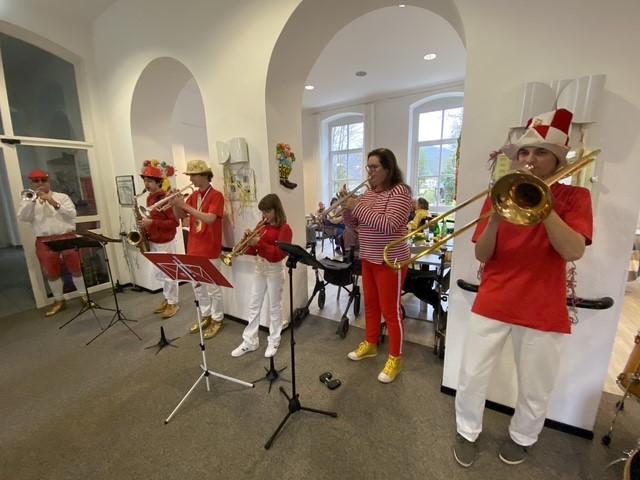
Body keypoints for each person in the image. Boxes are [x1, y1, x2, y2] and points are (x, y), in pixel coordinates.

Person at [452, 108, 593, 467]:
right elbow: (482, 253)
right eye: (525, 152)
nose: (530, 159)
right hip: (494, 297)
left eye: (541, 152)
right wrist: (496, 217)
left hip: (542, 305)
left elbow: (573, 250)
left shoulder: (576, 198)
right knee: (471, 375)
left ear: (557, 159)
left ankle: (523, 436)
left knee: (535, 385)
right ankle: (466, 430)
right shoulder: (500, 195)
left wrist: (544, 206)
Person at [341, 147, 412, 383]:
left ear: (388, 169)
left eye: (374, 167)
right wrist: (347, 209)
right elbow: (355, 225)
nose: (369, 172)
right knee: (371, 305)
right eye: (368, 167)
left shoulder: (400, 192)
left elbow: (389, 225)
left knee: (391, 312)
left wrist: (357, 206)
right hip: (368, 257)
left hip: (390, 260)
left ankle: (395, 358)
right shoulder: (369, 194)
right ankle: (371, 343)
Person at [17, 170, 87, 316]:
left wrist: (53, 202)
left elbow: (72, 214)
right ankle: (59, 301)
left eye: (43, 180)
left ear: (49, 182)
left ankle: (84, 296)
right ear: (32, 183)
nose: (40, 183)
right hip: (44, 240)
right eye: (36, 181)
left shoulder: (62, 197)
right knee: (51, 272)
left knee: (76, 269)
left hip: (66, 237)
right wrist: (32, 202)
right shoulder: (28, 200)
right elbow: (23, 217)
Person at [231, 194, 292, 358]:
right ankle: (250, 341)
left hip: (274, 270)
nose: (264, 215)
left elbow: (278, 255)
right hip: (260, 268)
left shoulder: (285, 228)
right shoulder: (261, 225)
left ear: (276, 210)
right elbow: (254, 251)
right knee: (254, 304)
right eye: (262, 212)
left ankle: (274, 340)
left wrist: (259, 243)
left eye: (267, 211)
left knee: (274, 307)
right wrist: (247, 242)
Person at [171, 159, 225, 339]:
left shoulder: (216, 195)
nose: (190, 179)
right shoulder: (194, 196)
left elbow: (210, 218)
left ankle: (217, 318)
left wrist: (184, 205)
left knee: (213, 288)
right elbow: (181, 216)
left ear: (204, 175)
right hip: (193, 248)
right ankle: (206, 315)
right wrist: (175, 204)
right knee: (198, 287)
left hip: (209, 248)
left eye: (193, 175)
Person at [138, 165, 180, 318]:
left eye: (150, 181)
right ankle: (167, 298)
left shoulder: (164, 199)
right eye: (145, 180)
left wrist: (152, 223)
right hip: (154, 240)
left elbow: (174, 223)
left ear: (158, 182)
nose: (146, 184)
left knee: (169, 273)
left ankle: (173, 302)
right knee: (159, 274)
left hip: (165, 241)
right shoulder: (149, 198)